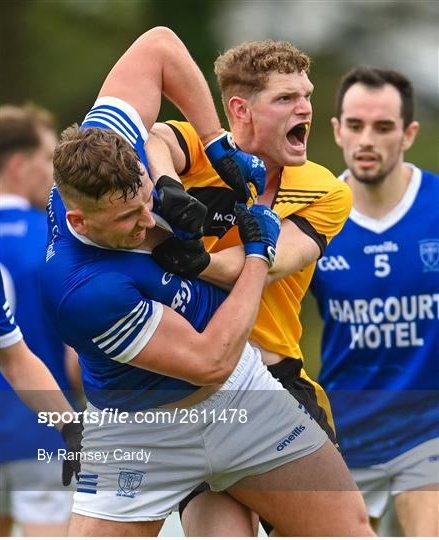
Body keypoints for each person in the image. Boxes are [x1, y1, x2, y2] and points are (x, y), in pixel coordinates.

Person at [150, 39, 367, 536]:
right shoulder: (199, 151)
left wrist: (191, 259)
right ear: (240, 110)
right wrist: (168, 185)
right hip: (195, 390)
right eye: (285, 98)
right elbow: (154, 135)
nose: (306, 107)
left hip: (278, 383)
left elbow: (265, 262)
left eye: (307, 95)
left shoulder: (327, 190)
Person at [310, 66, 439, 536]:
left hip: (428, 430)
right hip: (344, 435)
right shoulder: (313, 216)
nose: (368, 139)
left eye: (383, 127)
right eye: (356, 125)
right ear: (337, 130)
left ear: (408, 134)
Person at [0, 103, 78, 536]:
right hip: (41, 436)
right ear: (16, 164)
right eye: (49, 159)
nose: (55, 173)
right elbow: (74, 362)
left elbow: (10, 352)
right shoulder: (55, 238)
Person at [0, 264, 82, 536]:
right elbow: (75, 362)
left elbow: (14, 359)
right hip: (34, 443)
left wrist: (72, 428)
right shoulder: (48, 248)